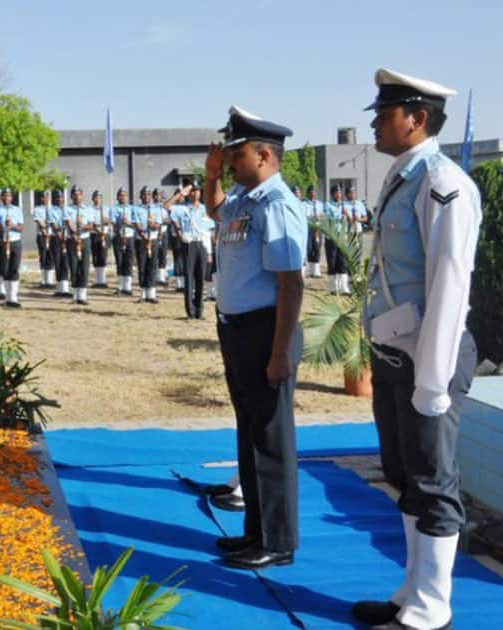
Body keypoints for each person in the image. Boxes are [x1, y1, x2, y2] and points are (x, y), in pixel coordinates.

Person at [351, 68, 481, 630]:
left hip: (432, 355)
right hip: (395, 351)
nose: (377, 123)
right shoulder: (403, 176)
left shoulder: (443, 182)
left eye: (385, 114)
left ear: (418, 119)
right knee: (404, 474)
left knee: (434, 480)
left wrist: (432, 380)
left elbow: (449, 282)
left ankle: (433, 607)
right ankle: (413, 589)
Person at [204, 106, 306, 570]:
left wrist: (281, 351)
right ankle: (255, 531)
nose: (230, 163)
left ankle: (278, 541)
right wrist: (210, 176)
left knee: (272, 439)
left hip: (267, 330)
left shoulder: (277, 205)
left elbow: (291, 283)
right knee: (249, 433)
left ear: (264, 155)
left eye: (236, 154)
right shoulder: (246, 201)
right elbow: (215, 210)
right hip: (237, 329)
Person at [169, 183, 214, 319]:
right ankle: (190, 311)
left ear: (201, 192)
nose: (195, 193)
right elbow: (166, 206)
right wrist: (180, 194)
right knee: (189, 278)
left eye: (197, 191)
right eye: (192, 191)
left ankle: (199, 311)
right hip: (188, 245)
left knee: (201, 278)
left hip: (202, 245)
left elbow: (208, 233)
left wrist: (209, 252)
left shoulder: (206, 210)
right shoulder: (182, 209)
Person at [64, 185, 95, 305]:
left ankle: (83, 296)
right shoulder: (68, 209)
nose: (77, 197)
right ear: (71, 196)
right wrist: (73, 234)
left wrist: (82, 225)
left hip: (84, 239)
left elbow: (91, 226)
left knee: (84, 267)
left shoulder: (88, 209)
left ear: (82, 196)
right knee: (74, 266)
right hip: (72, 240)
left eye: (79, 194)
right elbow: (67, 223)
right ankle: (75, 295)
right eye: (75, 195)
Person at [132, 187, 160, 303]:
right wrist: (144, 236)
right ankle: (143, 294)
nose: (146, 197)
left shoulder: (156, 209)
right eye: (144, 194)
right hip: (141, 240)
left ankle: (151, 294)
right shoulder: (136, 209)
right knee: (142, 266)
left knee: (152, 266)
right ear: (140, 196)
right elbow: (137, 225)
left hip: (153, 239)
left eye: (148, 195)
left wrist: (152, 225)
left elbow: (158, 225)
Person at [0, 188, 24, 308]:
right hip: (3, 241)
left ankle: (13, 297)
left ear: (11, 198)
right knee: (4, 269)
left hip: (15, 241)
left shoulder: (17, 210)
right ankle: (7, 296)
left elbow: (21, 228)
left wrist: (12, 225)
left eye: (8, 196)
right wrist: (3, 227)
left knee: (14, 268)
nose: (6, 198)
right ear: (1, 197)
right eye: (4, 196)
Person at [325, 184, 351, 294]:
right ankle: (332, 287)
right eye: (336, 193)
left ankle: (343, 286)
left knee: (343, 261)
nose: (338, 195)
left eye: (340, 193)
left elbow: (350, 221)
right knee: (332, 261)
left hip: (342, 236)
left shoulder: (344, 206)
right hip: (331, 237)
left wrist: (347, 214)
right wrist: (339, 214)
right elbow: (329, 220)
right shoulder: (328, 205)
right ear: (332, 194)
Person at [111, 187, 136, 295]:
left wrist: (128, 222)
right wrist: (119, 235)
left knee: (129, 261)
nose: (122, 197)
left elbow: (136, 224)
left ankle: (128, 287)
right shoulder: (114, 208)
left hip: (130, 236)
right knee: (120, 261)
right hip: (118, 236)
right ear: (117, 197)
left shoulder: (132, 208)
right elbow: (113, 223)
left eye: (124, 195)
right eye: (120, 195)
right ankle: (121, 287)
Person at [49, 189, 72, 297]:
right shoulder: (51, 210)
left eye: (61, 197)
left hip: (67, 238)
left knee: (66, 263)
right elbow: (53, 225)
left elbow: (70, 223)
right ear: (54, 199)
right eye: (57, 198)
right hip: (56, 238)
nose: (60, 199)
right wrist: (59, 234)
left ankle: (65, 289)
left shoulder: (67, 209)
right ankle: (59, 289)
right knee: (58, 262)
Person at [32, 190, 54, 288]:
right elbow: (39, 222)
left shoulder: (53, 209)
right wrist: (45, 231)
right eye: (43, 197)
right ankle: (44, 280)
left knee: (51, 257)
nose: (45, 199)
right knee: (43, 257)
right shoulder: (37, 209)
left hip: (52, 235)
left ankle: (50, 280)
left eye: (47, 197)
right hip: (42, 235)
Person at [91, 190, 111, 288]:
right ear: (92, 199)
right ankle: (97, 280)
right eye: (95, 197)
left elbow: (111, 221)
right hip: (95, 234)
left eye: (99, 197)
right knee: (95, 257)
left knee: (103, 256)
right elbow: (90, 222)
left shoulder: (106, 209)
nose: (97, 199)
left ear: (101, 199)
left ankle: (102, 281)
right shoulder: (90, 209)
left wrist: (106, 220)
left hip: (105, 234)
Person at [304, 185, 324, 277]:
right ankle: (305, 270)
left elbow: (323, 216)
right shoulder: (303, 204)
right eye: (311, 193)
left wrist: (319, 217)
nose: (313, 194)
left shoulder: (320, 204)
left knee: (317, 248)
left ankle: (315, 270)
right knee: (308, 248)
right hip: (308, 228)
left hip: (318, 229)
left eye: (314, 193)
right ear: (307, 194)